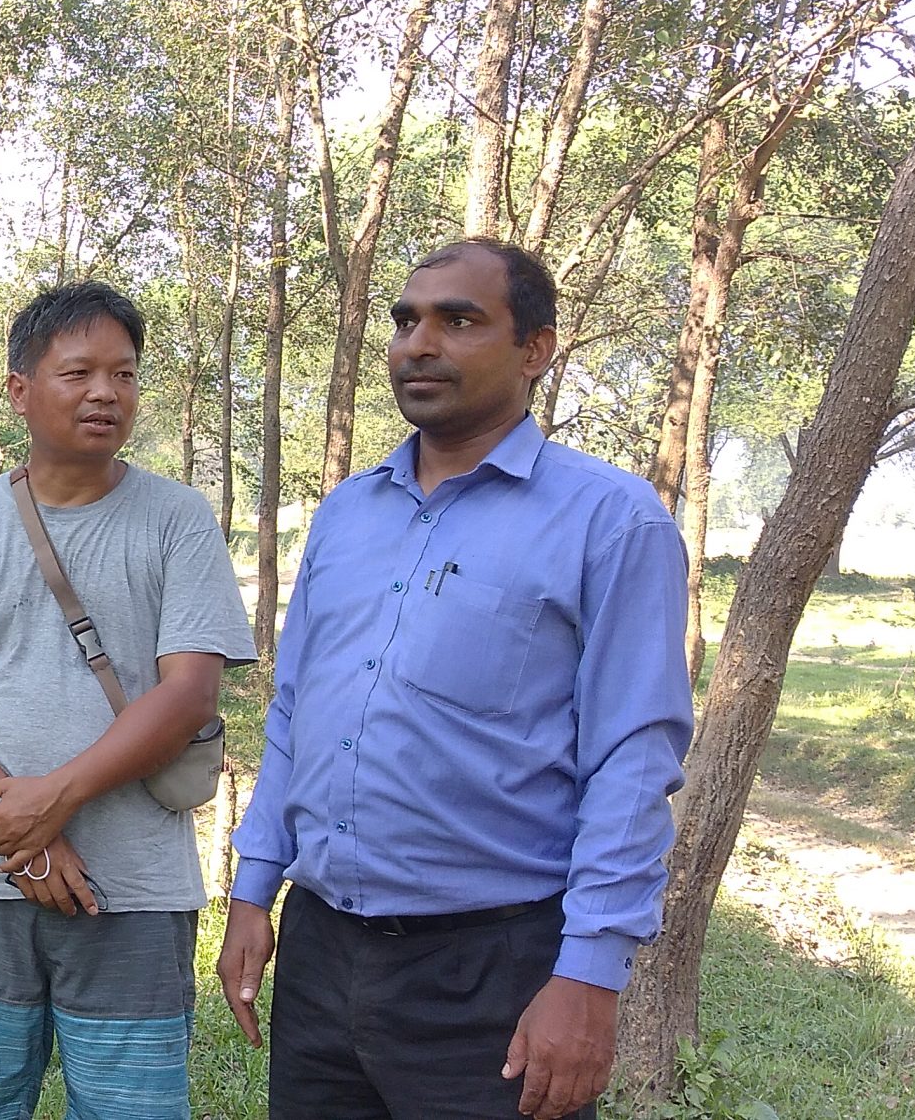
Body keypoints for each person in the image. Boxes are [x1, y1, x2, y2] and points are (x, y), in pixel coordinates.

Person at [217, 239, 695, 1120]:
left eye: (458, 320)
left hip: (495, 973)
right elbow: (297, 714)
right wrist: (254, 889)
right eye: (406, 320)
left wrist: (588, 974)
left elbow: (632, 759)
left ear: (535, 349)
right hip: (323, 958)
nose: (418, 342)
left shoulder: (612, 521)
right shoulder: (347, 513)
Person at [0, 280, 255, 1119]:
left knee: (130, 1105)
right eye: (80, 372)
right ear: (20, 389)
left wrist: (51, 803)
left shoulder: (178, 519)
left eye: (124, 375)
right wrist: (15, 835)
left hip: (134, 882)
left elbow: (188, 689)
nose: (106, 393)